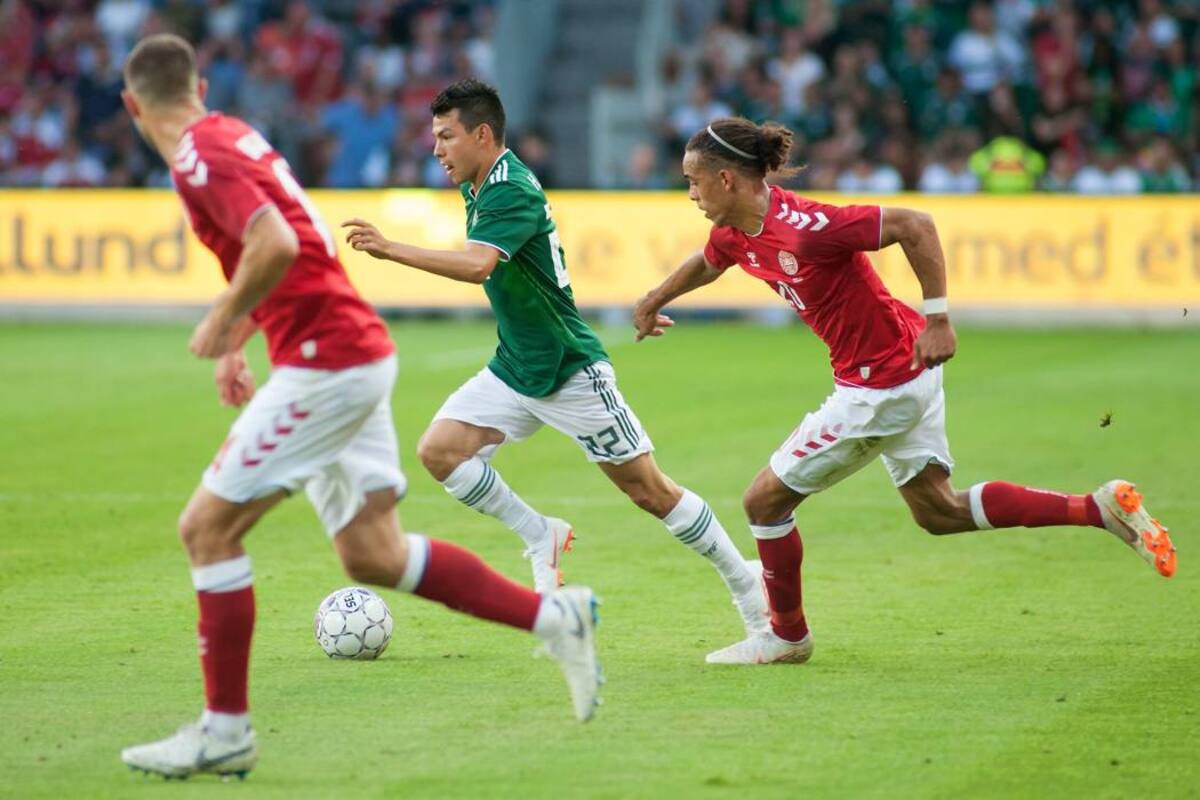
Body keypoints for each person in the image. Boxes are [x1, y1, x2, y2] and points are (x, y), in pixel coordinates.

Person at [117, 35, 602, 781]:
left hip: (325, 364)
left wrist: (221, 319)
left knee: (206, 531)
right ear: (202, 86)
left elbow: (275, 244)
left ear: (131, 105)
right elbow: (299, 246)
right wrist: (241, 337)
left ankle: (225, 730)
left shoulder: (195, 158)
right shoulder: (233, 135)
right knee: (372, 554)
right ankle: (556, 619)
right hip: (354, 351)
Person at [633, 116, 1176, 666]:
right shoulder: (733, 232)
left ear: (727, 179)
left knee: (763, 501)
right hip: (906, 367)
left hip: (881, 385)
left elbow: (915, 225)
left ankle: (786, 636)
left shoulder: (807, 226)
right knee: (938, 511)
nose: (691, 193)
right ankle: (1097, 509)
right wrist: (655, 298)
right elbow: (710, 261)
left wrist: (940, 317)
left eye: (692, 180)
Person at [341, 79, 767, 645]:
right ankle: (539, 533)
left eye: (446, 136)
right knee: (439, 451)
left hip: (571, 370)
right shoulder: (478, 185)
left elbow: (477, 267)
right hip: (517, 366)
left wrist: (389, 247)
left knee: (651, 492)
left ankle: (748, 587)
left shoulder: (510, 188)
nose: (436, 149)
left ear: (482, 134)